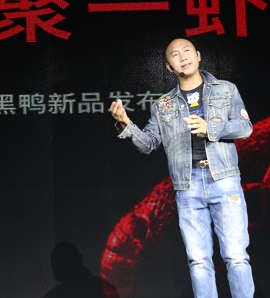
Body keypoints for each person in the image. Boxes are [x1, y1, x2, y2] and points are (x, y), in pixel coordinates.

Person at [109, 37, 255, 298]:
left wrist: (211, 128)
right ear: (169, 67)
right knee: (198, 261)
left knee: (236, 256)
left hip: (224, 179)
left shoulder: (225, 89)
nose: (182, 56)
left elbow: (245, 128)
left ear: (198, 56)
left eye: (187, 51)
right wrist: (125, 125)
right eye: (174, 55)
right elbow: (148, 144)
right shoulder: (163, 105)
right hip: (187, 186)